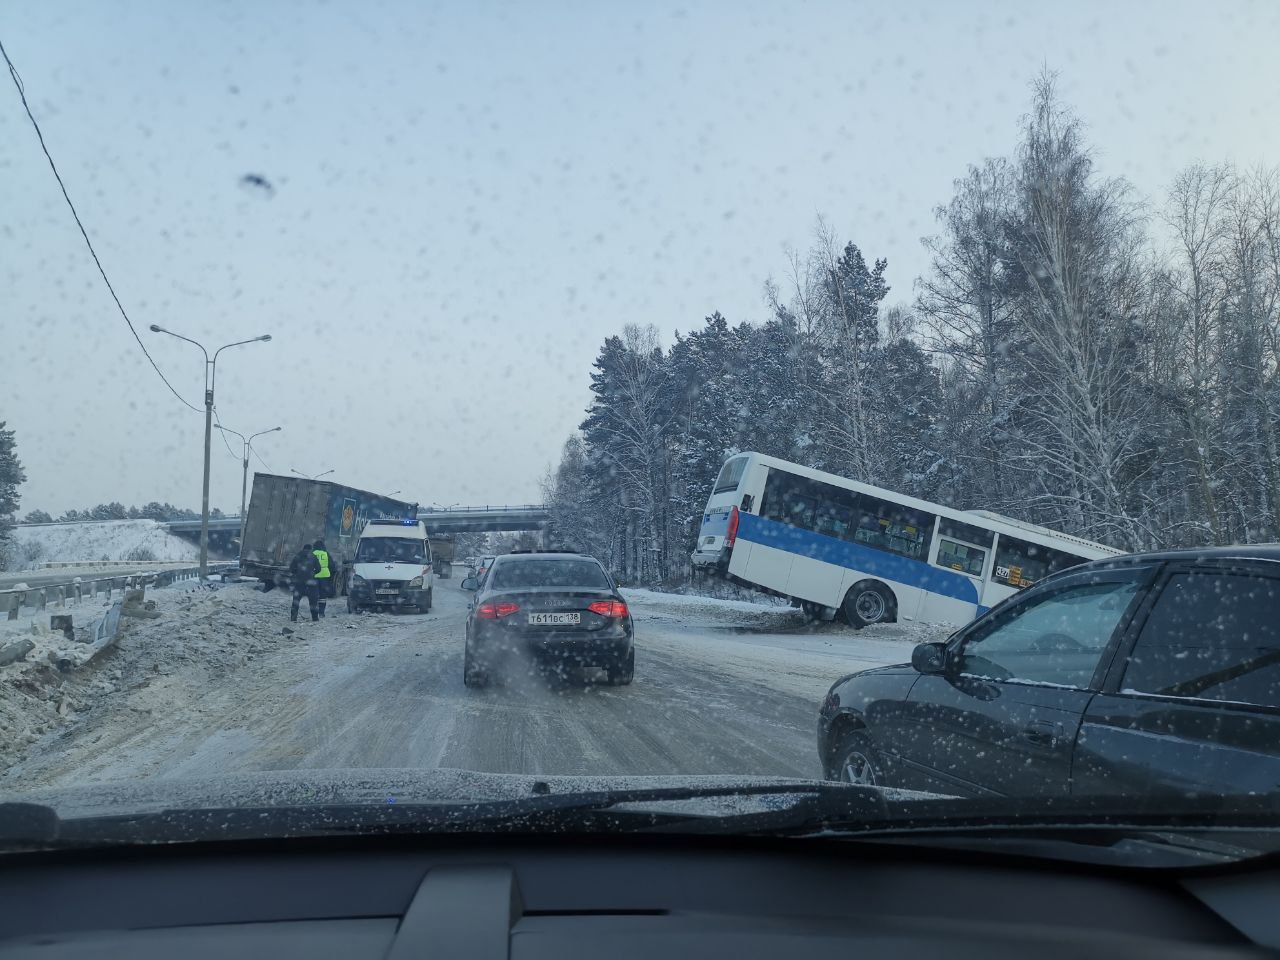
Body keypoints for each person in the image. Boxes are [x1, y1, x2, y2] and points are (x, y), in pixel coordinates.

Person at [288, 542, 318, 622]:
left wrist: (296, 573)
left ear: (303, 548)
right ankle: (315, 618)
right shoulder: (314, 556)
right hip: (311, 583)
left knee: (296, 601)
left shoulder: (298, 555)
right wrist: (313, 574)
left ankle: (293, 618)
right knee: (313, 602)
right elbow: (319, 569)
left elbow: (291, 568)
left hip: (299, 582)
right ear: (311, 549)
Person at [311, 538, 335, 619]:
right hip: (324, 577)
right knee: (323, 596)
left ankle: (314, 611)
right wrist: (331, 576)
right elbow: (332, 566)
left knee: (314, 595)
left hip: (314, 576)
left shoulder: (312, 553)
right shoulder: (326, 554)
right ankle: (321, 613)